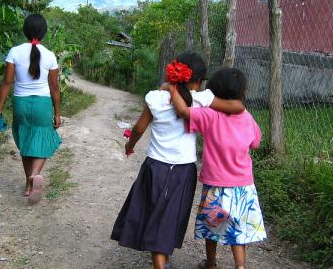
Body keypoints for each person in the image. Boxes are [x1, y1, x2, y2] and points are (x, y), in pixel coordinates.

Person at [111, 52, 245, 269]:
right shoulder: (201, 99)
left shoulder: (155, 97)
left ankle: (160, 257)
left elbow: (138, 129)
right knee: (169, 216)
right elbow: (237, 107)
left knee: (152, 210)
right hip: (182, 171)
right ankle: (161, 260)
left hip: (153, 166)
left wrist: (129, 146)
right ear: (198, 80)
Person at [167, 67, 266, 269]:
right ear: (241, 93)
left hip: (216, 187)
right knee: (238, 231)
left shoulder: (209, 116)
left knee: (212, 227)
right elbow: (256, 141)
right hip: (243, 187)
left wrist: (171, 89)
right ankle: (240, 266)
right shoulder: (247, 117)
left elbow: (183, 111)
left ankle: (211, 263)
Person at [0, 13, 62, 204]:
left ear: (25, 30)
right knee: (43, 139)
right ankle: (34, 175)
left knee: (25, 141)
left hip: (21, 103)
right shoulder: (50, 55)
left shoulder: (14, 52)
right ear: (44, 32)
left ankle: (29, 185)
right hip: (43, 104)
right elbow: (54, 87)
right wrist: (57, 113)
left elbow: (6, 82)